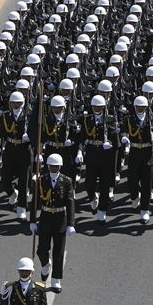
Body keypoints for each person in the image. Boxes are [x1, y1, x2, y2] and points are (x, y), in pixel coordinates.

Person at [29, 153, 75, 292]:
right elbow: (35, 201)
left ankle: (56, 279)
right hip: (46, 217)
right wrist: (32, 220)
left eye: (56, 166)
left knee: (58, 251)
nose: (53, 168)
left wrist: (71, 223)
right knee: (42, 249)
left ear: (60, 166)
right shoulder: (41, 180)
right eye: (51, 166)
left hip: (61, 218)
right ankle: (45, 264)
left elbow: (70, 202)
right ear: (48, 166)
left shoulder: (66, 181)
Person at [120, 95, 153, 223]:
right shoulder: (129, 119)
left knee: (146, 184)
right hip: (135, 153)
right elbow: (123, 130)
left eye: (142, 106)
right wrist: (124, 137)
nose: (140, 108)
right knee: (132, 182)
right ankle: (134, 197)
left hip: (148, 153)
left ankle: (144, 210)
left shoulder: (152, 118)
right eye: (138, 106)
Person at [81, 94, 118, 223]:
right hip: (91, 154)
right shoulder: (87, 120)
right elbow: (82, 136)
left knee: (105, 184)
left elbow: (114, 137)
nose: (97, 108)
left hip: (105, 156)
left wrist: (111, 145)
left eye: (99, 106)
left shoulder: (110, 119)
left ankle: (102, 210)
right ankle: (92, 198)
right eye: (95, 106)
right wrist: (80, 150)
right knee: (89, 183)